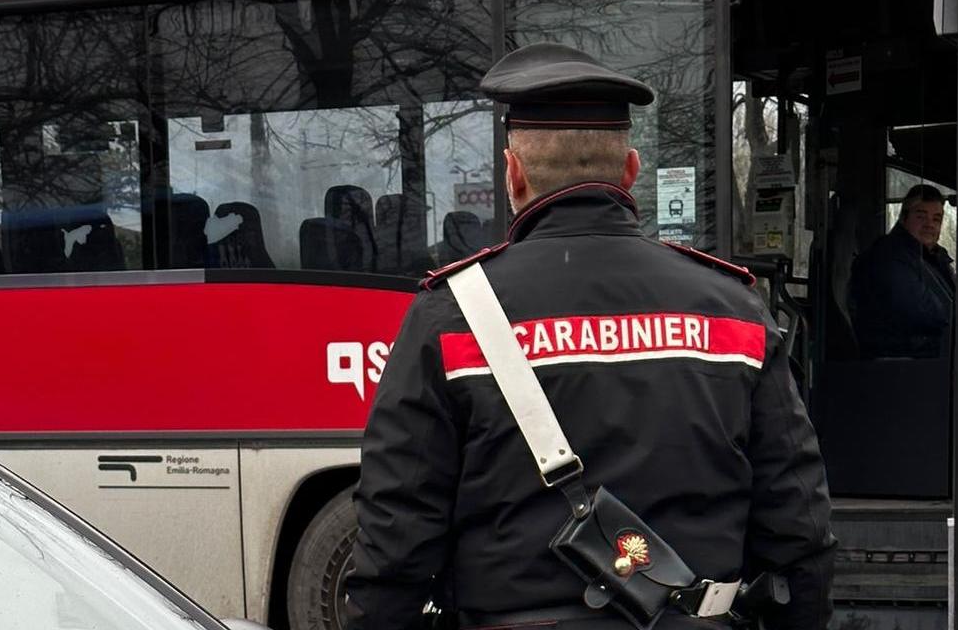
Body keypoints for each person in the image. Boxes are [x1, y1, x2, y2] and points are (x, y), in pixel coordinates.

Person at [345, 42, 835, 630]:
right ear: (630, 171)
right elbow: (799, 530)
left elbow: (395, 542)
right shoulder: (734, 308)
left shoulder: (451, 317)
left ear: (514, 173)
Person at [849, 184, 955, 358]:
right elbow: (925, 313)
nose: (930, 225)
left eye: (936, 219)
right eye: (921, 217)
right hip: (903, 362)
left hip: (928, 355)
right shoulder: (888, 257)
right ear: (904, 218)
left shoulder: (932, 257)